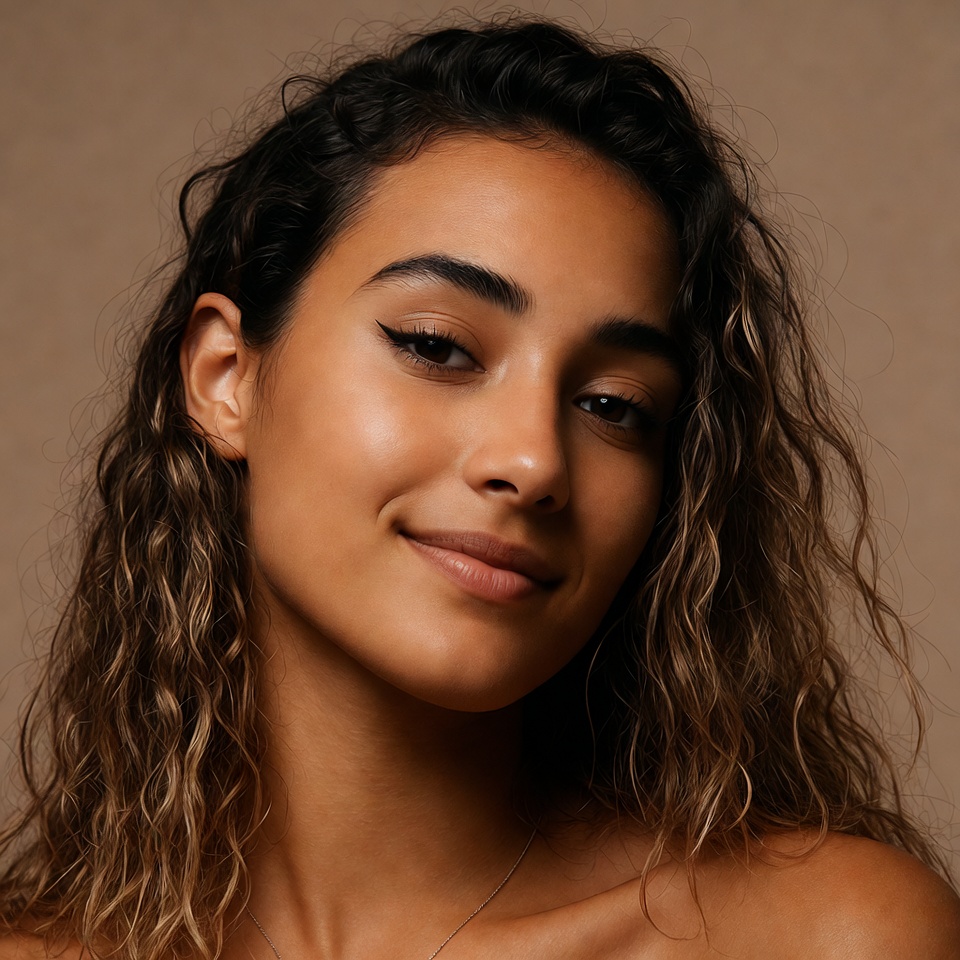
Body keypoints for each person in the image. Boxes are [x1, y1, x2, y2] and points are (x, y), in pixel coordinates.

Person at [1, 15, 958, 960]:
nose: (536, 461)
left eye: (615, 406)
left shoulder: (826, 937)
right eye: (437, 347)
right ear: (225, 378)